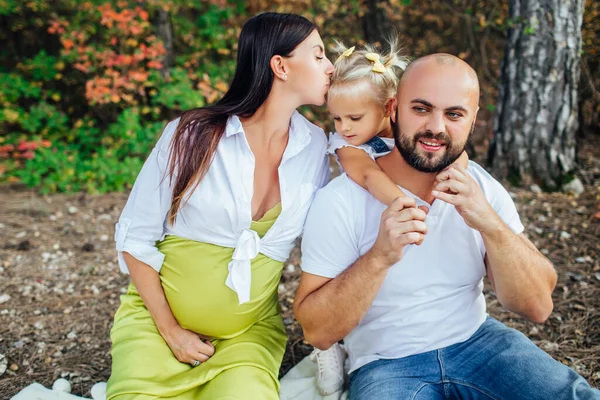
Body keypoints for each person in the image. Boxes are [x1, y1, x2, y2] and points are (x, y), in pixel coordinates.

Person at [294, 53, 600, 399]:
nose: (436, 127)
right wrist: (379, 256)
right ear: (393, 108)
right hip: (387, 364)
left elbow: (538, 306)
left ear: (472, 121)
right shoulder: (341, 199)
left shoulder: (479, 187)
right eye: (421, 109)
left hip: (479, 344)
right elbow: (316, 331)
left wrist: (490, 224)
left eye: (454, 114)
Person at [106, 12, 334, 400]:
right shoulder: (191, 135)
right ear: (280, 66)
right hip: (159, 329)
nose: (330, 67)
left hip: (245, 337)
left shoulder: (316, 146)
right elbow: (135, 237)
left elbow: (338, 230)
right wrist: (172, 331)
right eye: (318, 55)